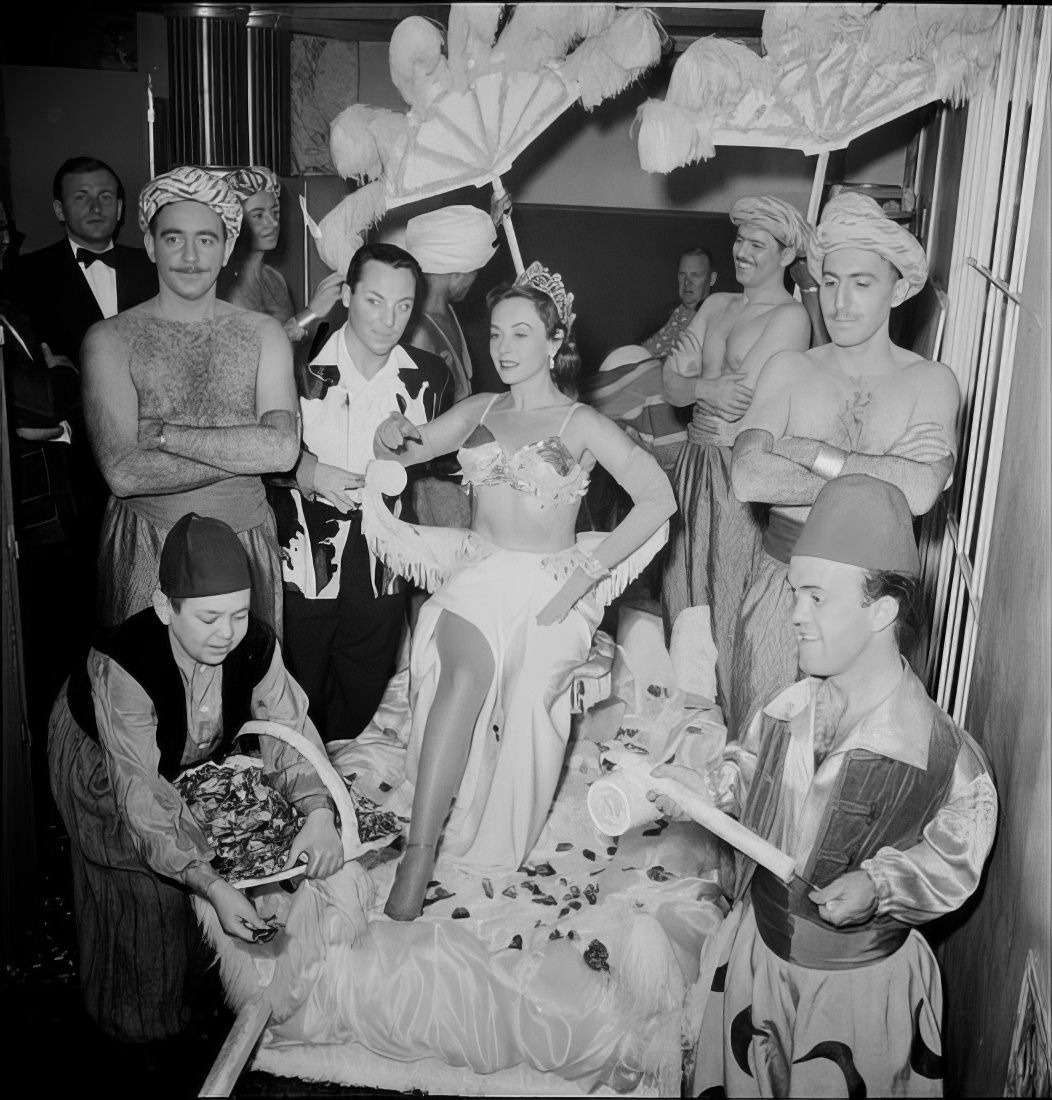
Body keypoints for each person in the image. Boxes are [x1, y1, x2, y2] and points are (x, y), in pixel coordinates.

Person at [650, 474, 996, 1097]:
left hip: (858, 1004)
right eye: (792, 593)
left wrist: (883, 883)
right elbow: (747, 776)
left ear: (881, 610)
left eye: (814, 597)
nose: (793, 615)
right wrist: (701, 788)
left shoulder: (945, 760)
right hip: (758, 964)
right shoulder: (786, 709)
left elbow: (953, 859)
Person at [367, 260, 677, 920]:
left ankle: (496, 835)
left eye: (520, 335)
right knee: (462, 679)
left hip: (552, 583)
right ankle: (418, 856)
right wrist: (388, 434)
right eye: (496, 335)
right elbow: (405, 449)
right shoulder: (479, 409)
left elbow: (658, 497)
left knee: (535, 695)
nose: (504, 349)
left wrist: (589, 581)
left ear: (554, 342)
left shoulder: (582, 424)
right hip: (479, 574)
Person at [48, 512, 343, 1042]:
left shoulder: (254, 643)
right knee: (145, 890)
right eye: (208, 619)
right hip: (103, 758)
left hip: (176, 755)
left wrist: (319, 811)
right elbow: (140, 788)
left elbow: (288, 731)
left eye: (237, 615)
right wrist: (209, 883)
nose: (226, 634)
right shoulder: (124, 667)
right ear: (165, 607)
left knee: (210, 860)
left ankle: (202, 993)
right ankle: (141, 1030)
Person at [729, 191, 959, 734]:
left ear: (898, 289)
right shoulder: (788, 369)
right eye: (830, 282)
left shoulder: (931, 381)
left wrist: (809, 452)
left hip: (877, 604)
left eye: (862, 283)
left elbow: (921, 492)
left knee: (860, 772)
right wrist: (882, 467)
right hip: (783, 590)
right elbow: (747, 476)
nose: (840, 302)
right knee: (765, 755)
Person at [82, 164, 300, 634]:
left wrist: (163, 434)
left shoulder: (263, 334)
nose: (190, 255)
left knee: (248, 694)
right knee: (146, 693)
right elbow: (124, 472)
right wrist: (250, 451)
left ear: (226, 249)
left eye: (206, 239)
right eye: (174, 238)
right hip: (147, 545)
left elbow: (283, 451)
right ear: (150, 244)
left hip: (247, 543)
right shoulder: (110, 340)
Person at [268, 241, 452, 743]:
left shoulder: (429, 377)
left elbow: (443, 460)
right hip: (300, 560)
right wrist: (307, 472)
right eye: (374, 300)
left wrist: (414, 444)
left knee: (364, 691)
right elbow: (255, 456)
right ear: (346, 294)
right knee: (294, 695)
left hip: (382, 563)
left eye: (403, 306)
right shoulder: (295, 364)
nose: (389, 319)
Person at [660, 196, 812, 730]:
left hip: (737, 477)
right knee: (680, 591)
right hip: (693, 466)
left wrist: (696, 383)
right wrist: (700, 384)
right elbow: (671, 384)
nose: (743, 252)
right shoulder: (716, 304)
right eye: (740, 240)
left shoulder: (792, 318)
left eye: (758, 244)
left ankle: (732, 731)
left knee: (727, 596)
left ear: (788, 252)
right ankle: (687, 721)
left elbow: (743, 400)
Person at [6, 157, 159, 641]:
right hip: (69, 471)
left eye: (106, 197)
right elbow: (32, 386)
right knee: (77, 607)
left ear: (121, 208)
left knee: (152, 596)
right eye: (81, 197)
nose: (96, 206)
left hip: (155, 458)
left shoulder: (154, 265)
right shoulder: (24, 275)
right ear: (58, 207)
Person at [218, 164, 343, 350]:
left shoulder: (274, 279)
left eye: (275, 213)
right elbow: (246, 353)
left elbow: (291, 344)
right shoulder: (222, 283)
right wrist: (311, 313)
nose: (273, 222)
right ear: (234, 221)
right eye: (258, 215)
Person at [401, 203, 499, 402]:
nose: (474, 280)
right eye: (475, 273)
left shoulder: (446, 311)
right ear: (458, 274)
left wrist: (490, 225)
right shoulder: (419, 333)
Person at [641, 246, 717, 359]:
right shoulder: (677, 311)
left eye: (695, 275)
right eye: (682, 275)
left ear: (711, 279)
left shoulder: (713, 320)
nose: (687, 282)